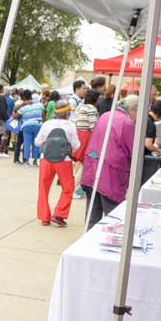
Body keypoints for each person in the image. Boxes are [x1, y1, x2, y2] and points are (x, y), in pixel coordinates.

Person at [79, 95, 140, 228]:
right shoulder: (126, 122)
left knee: (92, 216)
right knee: (113, 217)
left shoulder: (106, 115)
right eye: (138, 112)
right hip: (110, 174)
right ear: (132, 109)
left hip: (92, 168)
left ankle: (88, 243)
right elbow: (135, 150)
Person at [34, 96, 80, 228]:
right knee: (68, 188)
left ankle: (44, 217)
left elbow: (37, 142)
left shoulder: (47, 124)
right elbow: (76, 145)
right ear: (67, 113)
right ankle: (59, 214)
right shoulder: (70, 126)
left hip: (46, 159)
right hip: (63, 160)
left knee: (43, 188)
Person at [13, 90, 45, 167]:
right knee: (36, 143)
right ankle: (35, 161)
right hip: (38, 124)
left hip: (27, 126)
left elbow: (15, 116)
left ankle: (26, 162)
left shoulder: (24, 107)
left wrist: (19, 107)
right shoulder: (40, 105)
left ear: (23, 97)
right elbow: (43, 116)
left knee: (27, 143)